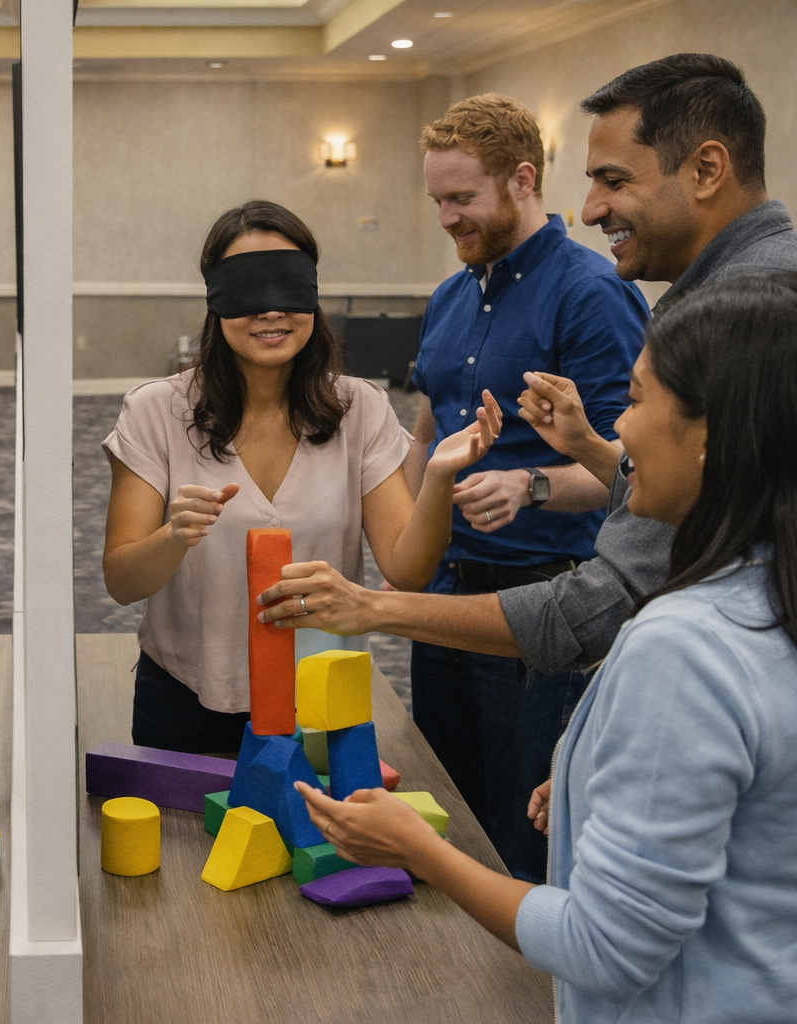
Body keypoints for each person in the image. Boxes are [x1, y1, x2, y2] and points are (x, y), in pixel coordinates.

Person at [295, 275, 797, 1024]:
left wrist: (417, 848)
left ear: (711, 438)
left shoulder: (684, 648)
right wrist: (593, 771)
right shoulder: (768, 592)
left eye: (634, 400)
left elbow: (604, 949)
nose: (620, 432)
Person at [260, 53, 797, 733]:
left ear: (707, 169)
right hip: (460, 589)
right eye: (439, 202)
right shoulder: (458, 296)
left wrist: (376, 605)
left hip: (569, 605)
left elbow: (618, 583)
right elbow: (705, 495)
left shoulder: (744, 311)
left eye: (612, 179)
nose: (594, 206)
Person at [101, 199, 501, 755]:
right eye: (247, 289)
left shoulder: (360, 408)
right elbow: (121, 582)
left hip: (319, 699)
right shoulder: (154, 412)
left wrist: (436, 479)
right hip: (188, 698)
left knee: (315, 839)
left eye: (288, 286)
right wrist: (171, 538)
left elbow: (407, 570)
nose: (271, 311)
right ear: (215, 299)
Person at [406, 92, 650, 883]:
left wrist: (529, 487)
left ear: (521, 180)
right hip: (445, 598)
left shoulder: (591, 292)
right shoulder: (450, 295)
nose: (446, 218)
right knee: (443, 813)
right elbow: (423, 431)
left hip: (543, 613)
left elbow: (630, 471)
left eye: (462, 199)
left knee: (525, 839)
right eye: (438, 200)